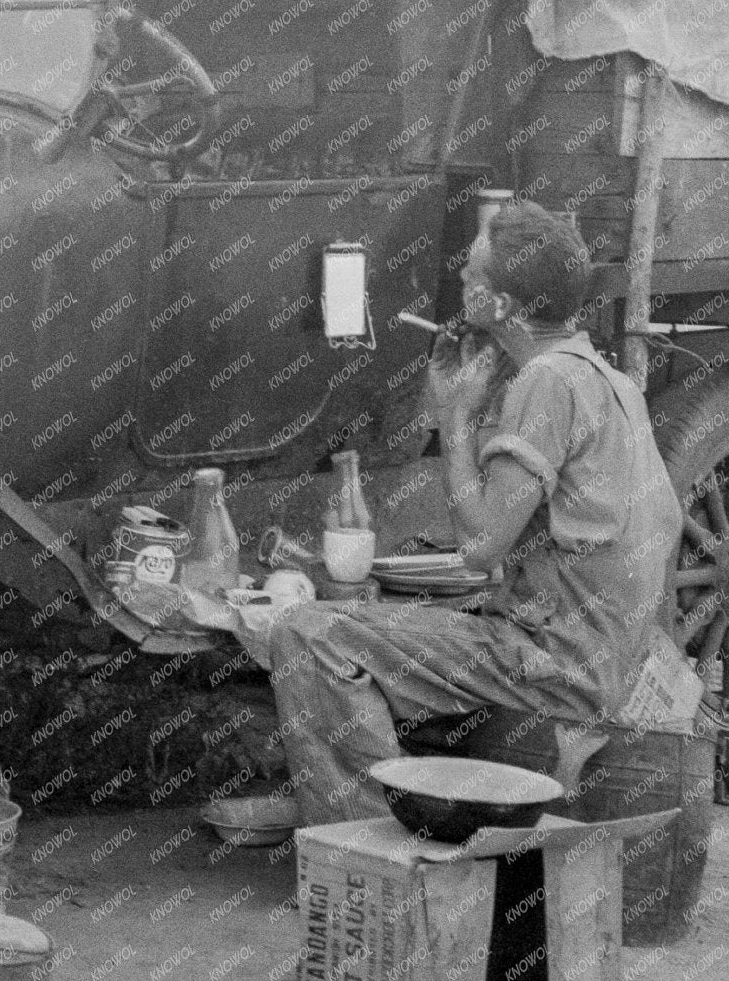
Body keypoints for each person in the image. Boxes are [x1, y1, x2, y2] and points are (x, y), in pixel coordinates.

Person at [268, 199, 683, 826]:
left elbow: (482, 547)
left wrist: (455, 417)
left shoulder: (547, 380)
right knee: (376, 621)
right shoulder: (605, 376)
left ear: (505, 306)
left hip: (560, 662)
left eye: (473, 275)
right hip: (599, 648)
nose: (461, 281)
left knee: (307, 633)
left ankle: (369, 841)